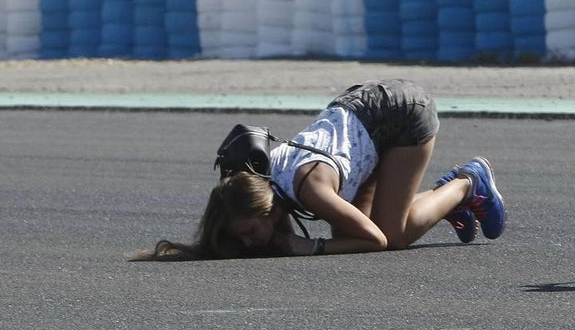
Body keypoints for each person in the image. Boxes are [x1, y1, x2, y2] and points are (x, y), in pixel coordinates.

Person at [138, 79, 506, 259]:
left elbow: (374, 242)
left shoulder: (309, 189)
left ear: (267, 209)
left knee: (391, 236)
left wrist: (311, 246)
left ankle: (467, 182)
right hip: (360, 120)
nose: (250, 241)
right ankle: (447, 201)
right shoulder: (265, 181)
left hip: (400, 114)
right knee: (364, 226)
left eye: (250, 231)